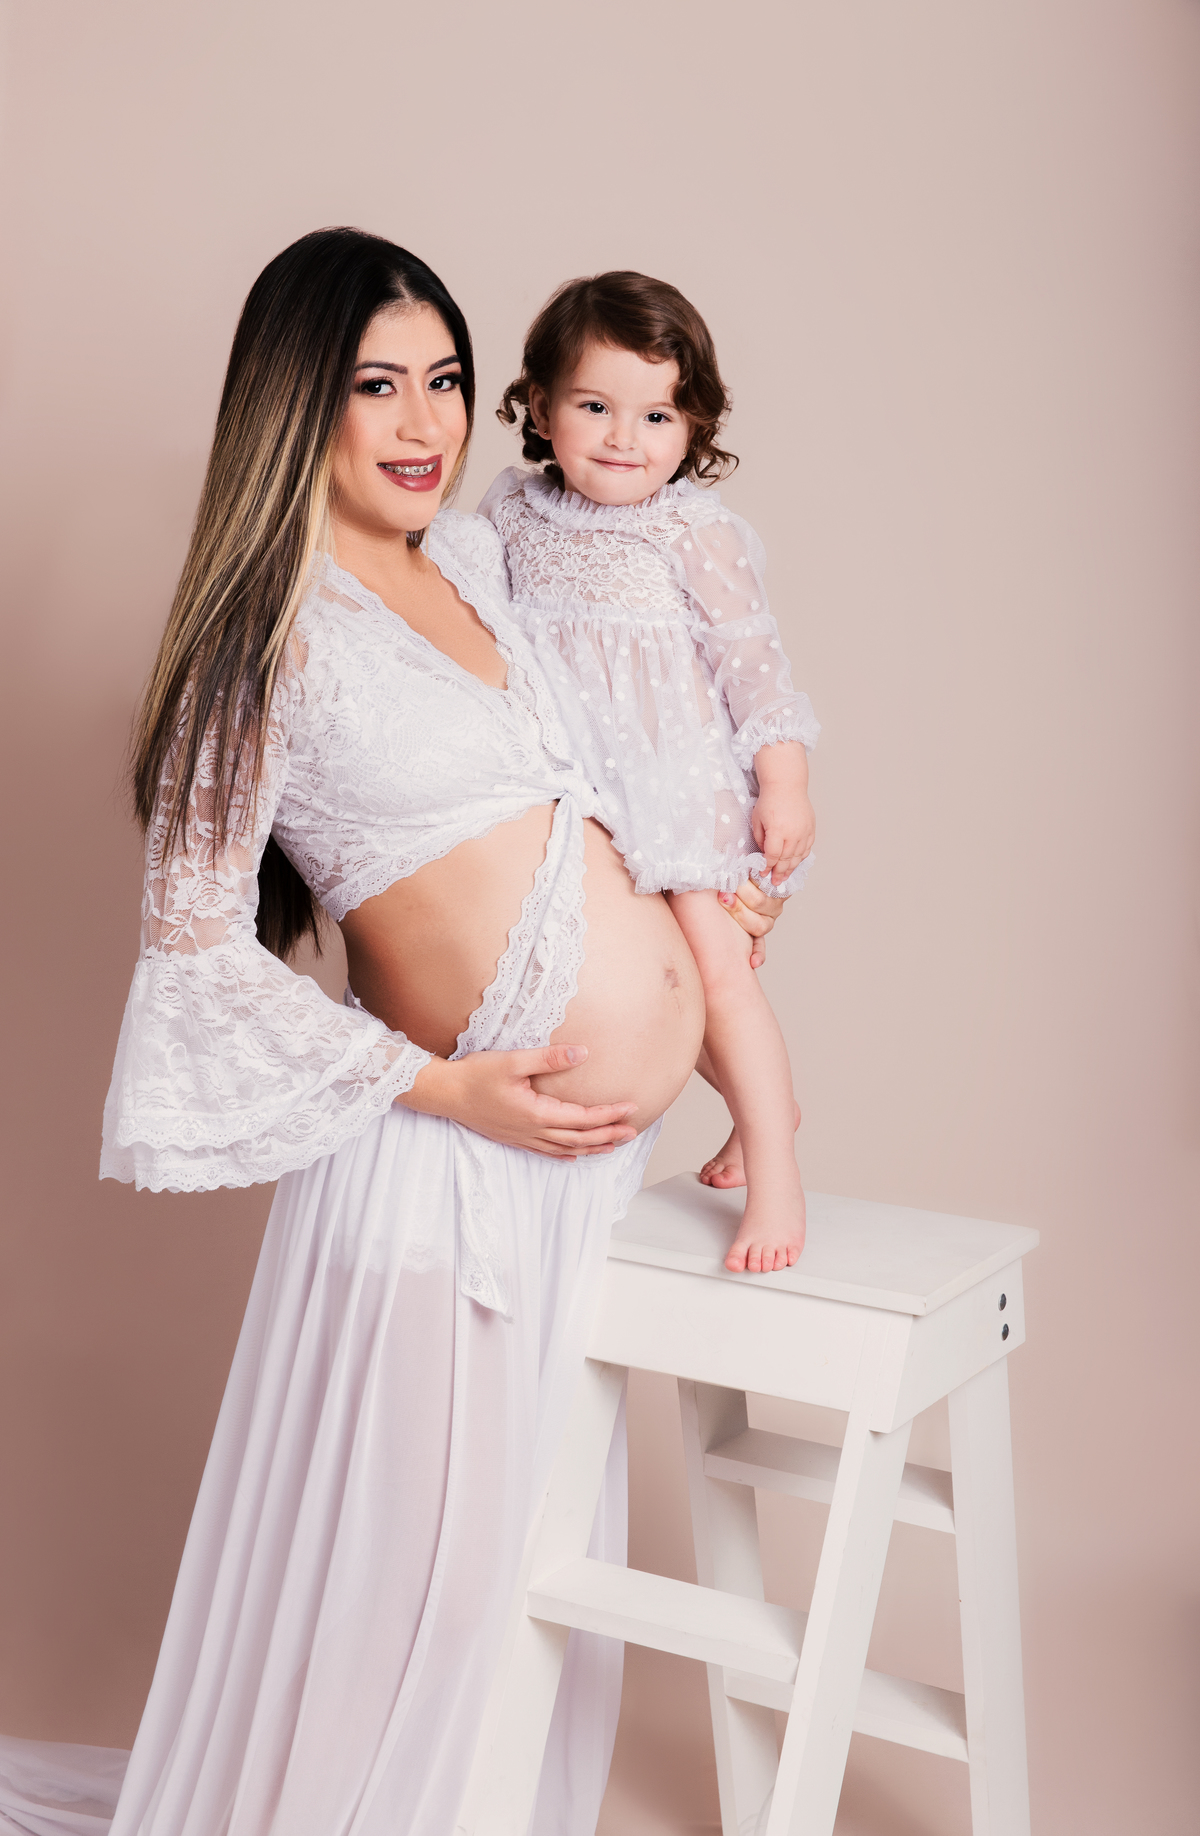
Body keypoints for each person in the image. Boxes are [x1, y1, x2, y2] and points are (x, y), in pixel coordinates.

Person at [85, 229, 779, 1836]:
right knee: (427, 1587)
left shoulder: (481, 561)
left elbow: (650, 694)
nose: (424, 423)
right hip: (443, 1172)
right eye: (376, 385)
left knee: (530, 1584)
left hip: (578, 1175)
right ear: (293, 406)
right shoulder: (263, 643)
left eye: (448, 380)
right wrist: (444, 1089)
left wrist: (730, 876)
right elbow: (191, 948)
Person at [482, 272, 820, 1276]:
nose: (624, 438)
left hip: (676, 796)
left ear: (694, 425)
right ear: (539, 405)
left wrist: (784, 784)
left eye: (657, 415)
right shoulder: (512, 511)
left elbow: (756, 669)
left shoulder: (693, 532)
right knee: (653, 985)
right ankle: (765, 1109)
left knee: (718, 976)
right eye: (595, 406)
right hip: (575, 796)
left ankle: (777, 1174)